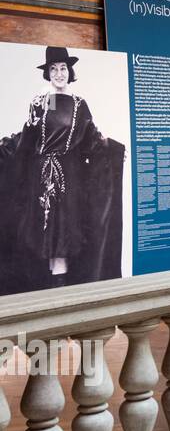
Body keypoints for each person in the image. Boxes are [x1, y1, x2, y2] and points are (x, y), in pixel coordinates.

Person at [0, 46, 125, 294]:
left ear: (70, 72)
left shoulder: (80, 104)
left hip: (70, 180)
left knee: (65, 239)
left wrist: (112, 148)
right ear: (47, 73)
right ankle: (47, 299)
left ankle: (64, 299)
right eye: (54, 69)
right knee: (43, 241)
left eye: (63, 68)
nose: (59, 73)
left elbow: (92, 139)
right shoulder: (38, 103)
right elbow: (26, 139)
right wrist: (5, 148)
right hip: (41, 180)